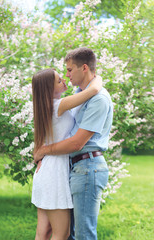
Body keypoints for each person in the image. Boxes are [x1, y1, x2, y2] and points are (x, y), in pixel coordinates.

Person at [34, 47, 113, 240]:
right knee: (62, 233)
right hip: (61, 168)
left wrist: (44, 150)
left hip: (84, 166)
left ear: (84, 68)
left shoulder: (96, 99)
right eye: (61, 77)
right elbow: (93, 87)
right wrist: (96, 81)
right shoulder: (72, 98)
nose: (66, 76)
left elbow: (77, 142)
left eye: (69, 71)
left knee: (70, 233)